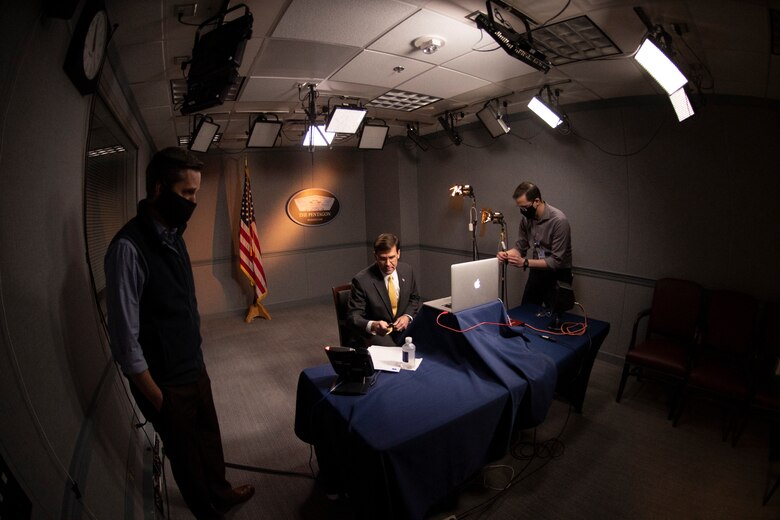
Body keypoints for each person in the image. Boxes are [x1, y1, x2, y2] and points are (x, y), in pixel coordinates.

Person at [104, 147, 254, 519]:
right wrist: (158, 400)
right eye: (187, 193)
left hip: (193, 368)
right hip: (165, 384)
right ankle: (208, 511)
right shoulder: (127, 248)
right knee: (185, 458)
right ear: (158, 189)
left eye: (196, 193)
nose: (193, 202)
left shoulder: (174, 234)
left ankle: (221, 493)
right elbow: (125, 342)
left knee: (208, 440)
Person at [497, 181, 573, 310]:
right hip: (537, 272)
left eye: (525, 207)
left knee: (554, 319)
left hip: (558, 275)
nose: (523, 211)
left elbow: (556, 261)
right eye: (520, 208)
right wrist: (507, 254)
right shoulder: (526, 220)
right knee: (526, 311)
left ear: (537, 201)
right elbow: (520, 247)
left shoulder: (559, 221)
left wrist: (525, 263)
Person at [347, 233, 421, 347]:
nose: (388, 264)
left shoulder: (407, 270)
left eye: (391, 257)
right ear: (375, 256)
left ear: (398, 254)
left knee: (428, 341)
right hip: (377, 333)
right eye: (382, 258)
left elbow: (414, 299)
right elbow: (354, 316)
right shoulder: (361, 280)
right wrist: (373, 325)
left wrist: (407, 316)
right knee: (393, 354)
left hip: (403, 328)